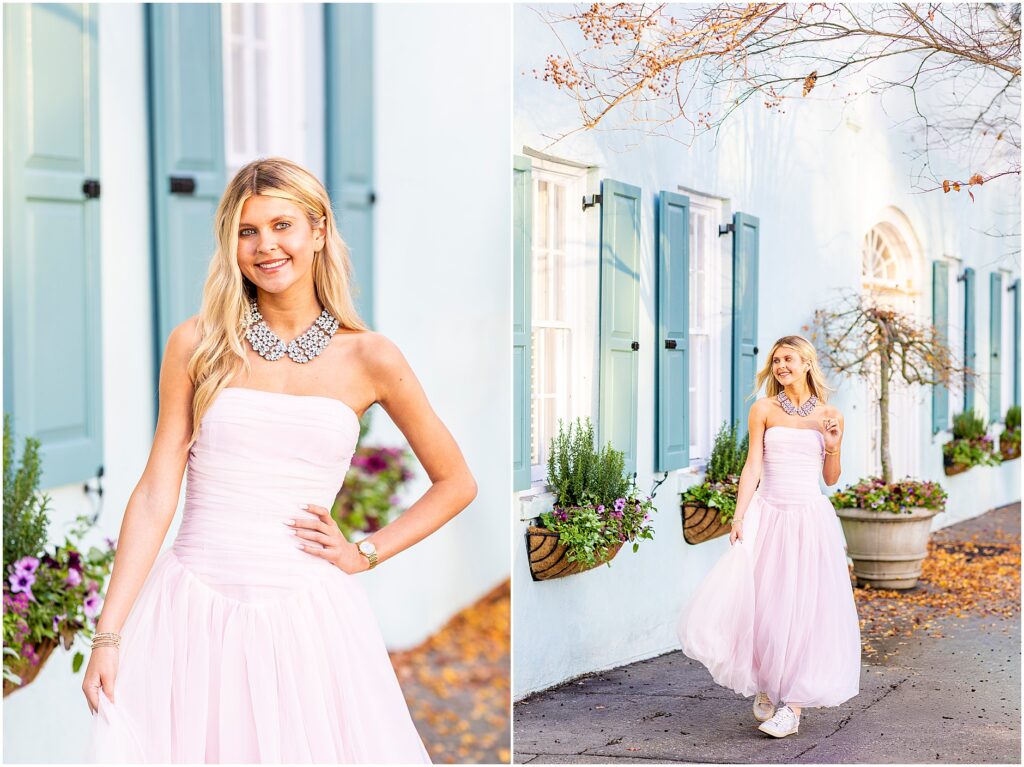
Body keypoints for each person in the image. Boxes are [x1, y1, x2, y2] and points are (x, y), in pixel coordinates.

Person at [82, 157, 477, 762]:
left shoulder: (371, 357)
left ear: (319, 231)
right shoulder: (196, 344)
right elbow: (157, 491)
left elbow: (456, 482)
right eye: (247, 231)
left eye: (281, 225)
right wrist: (109, 635)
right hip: (190, 611)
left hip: (307, 618)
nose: (265, 245)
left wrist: (363, 553)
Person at [677, 335, 860, 738]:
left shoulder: (830, 415)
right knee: (763, 604)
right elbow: (752, 466)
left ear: (807, 363)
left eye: (788, 359)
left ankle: (792, 708)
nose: (781, 366)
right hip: (768, 515)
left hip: (809, 520)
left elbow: (831, 478)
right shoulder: (763, 409)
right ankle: (765, 680)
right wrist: (739, 515)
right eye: (776, 360)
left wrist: (833, 446)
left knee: (805, 609)